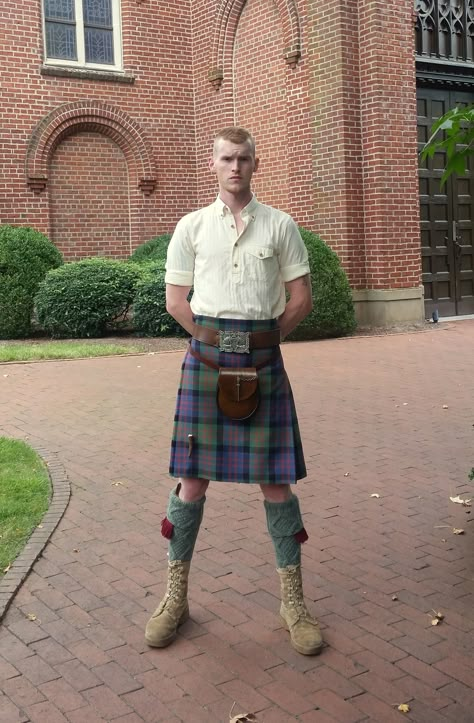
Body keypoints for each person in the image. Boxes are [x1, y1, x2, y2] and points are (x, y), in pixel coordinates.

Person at [145, 126, 323, 656]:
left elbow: (301, 298)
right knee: (191, 483)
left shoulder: (281, 225)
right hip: (206, 361)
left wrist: (262, 341)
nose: (235, 167)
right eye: (226, 158)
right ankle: (175, 597)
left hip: (264, 362)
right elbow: (178, 301)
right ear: (213, 164)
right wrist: (226, 341)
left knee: (277, 485)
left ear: (255, 163)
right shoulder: (192, 227)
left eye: (243, 158)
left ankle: (293, 603)